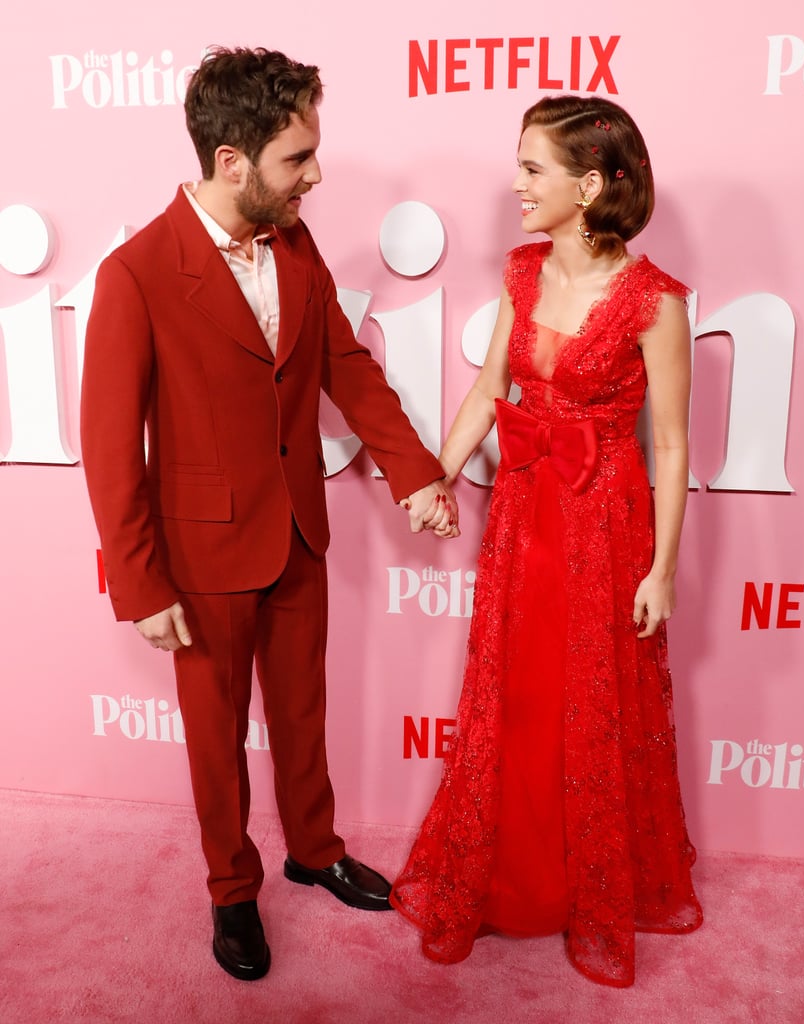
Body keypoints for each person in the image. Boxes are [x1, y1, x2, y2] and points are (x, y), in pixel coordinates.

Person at [80, 46, 458, 982]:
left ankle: (314, 848)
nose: (316, 176)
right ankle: (230, 891)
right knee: (216, 740)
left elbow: (343, 366)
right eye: (298, 158)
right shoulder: (133, 273)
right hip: (199, 555)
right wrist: (138, 581)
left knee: (302, 712)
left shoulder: (294, 243)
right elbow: (108, 445)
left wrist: (414, 473)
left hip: (297, 530)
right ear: (231, 160)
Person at [389, 95, 703, 987]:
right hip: (524, 512)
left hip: (604, 521)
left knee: (590, 702)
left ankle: (587, 887)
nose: (516, 184)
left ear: (590, 184)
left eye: (533, 169)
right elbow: (490, 387)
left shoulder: (656, 303)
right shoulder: (522, 272)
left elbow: (672, 445)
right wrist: (438, 474)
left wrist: (662, 568)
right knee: (518, 696)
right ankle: (517, 876)